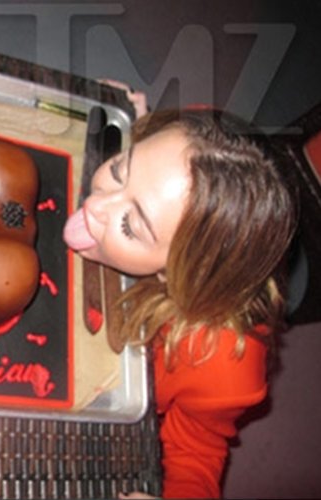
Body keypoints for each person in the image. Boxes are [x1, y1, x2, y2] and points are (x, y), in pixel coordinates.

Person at [63, 107, 297, 498]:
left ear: (176, 272)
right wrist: (133, 116)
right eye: (119, 170)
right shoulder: (197, 141)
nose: (95, 206)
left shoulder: (224, 365)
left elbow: (196, 453)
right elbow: (158, 160)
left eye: (130, 225)